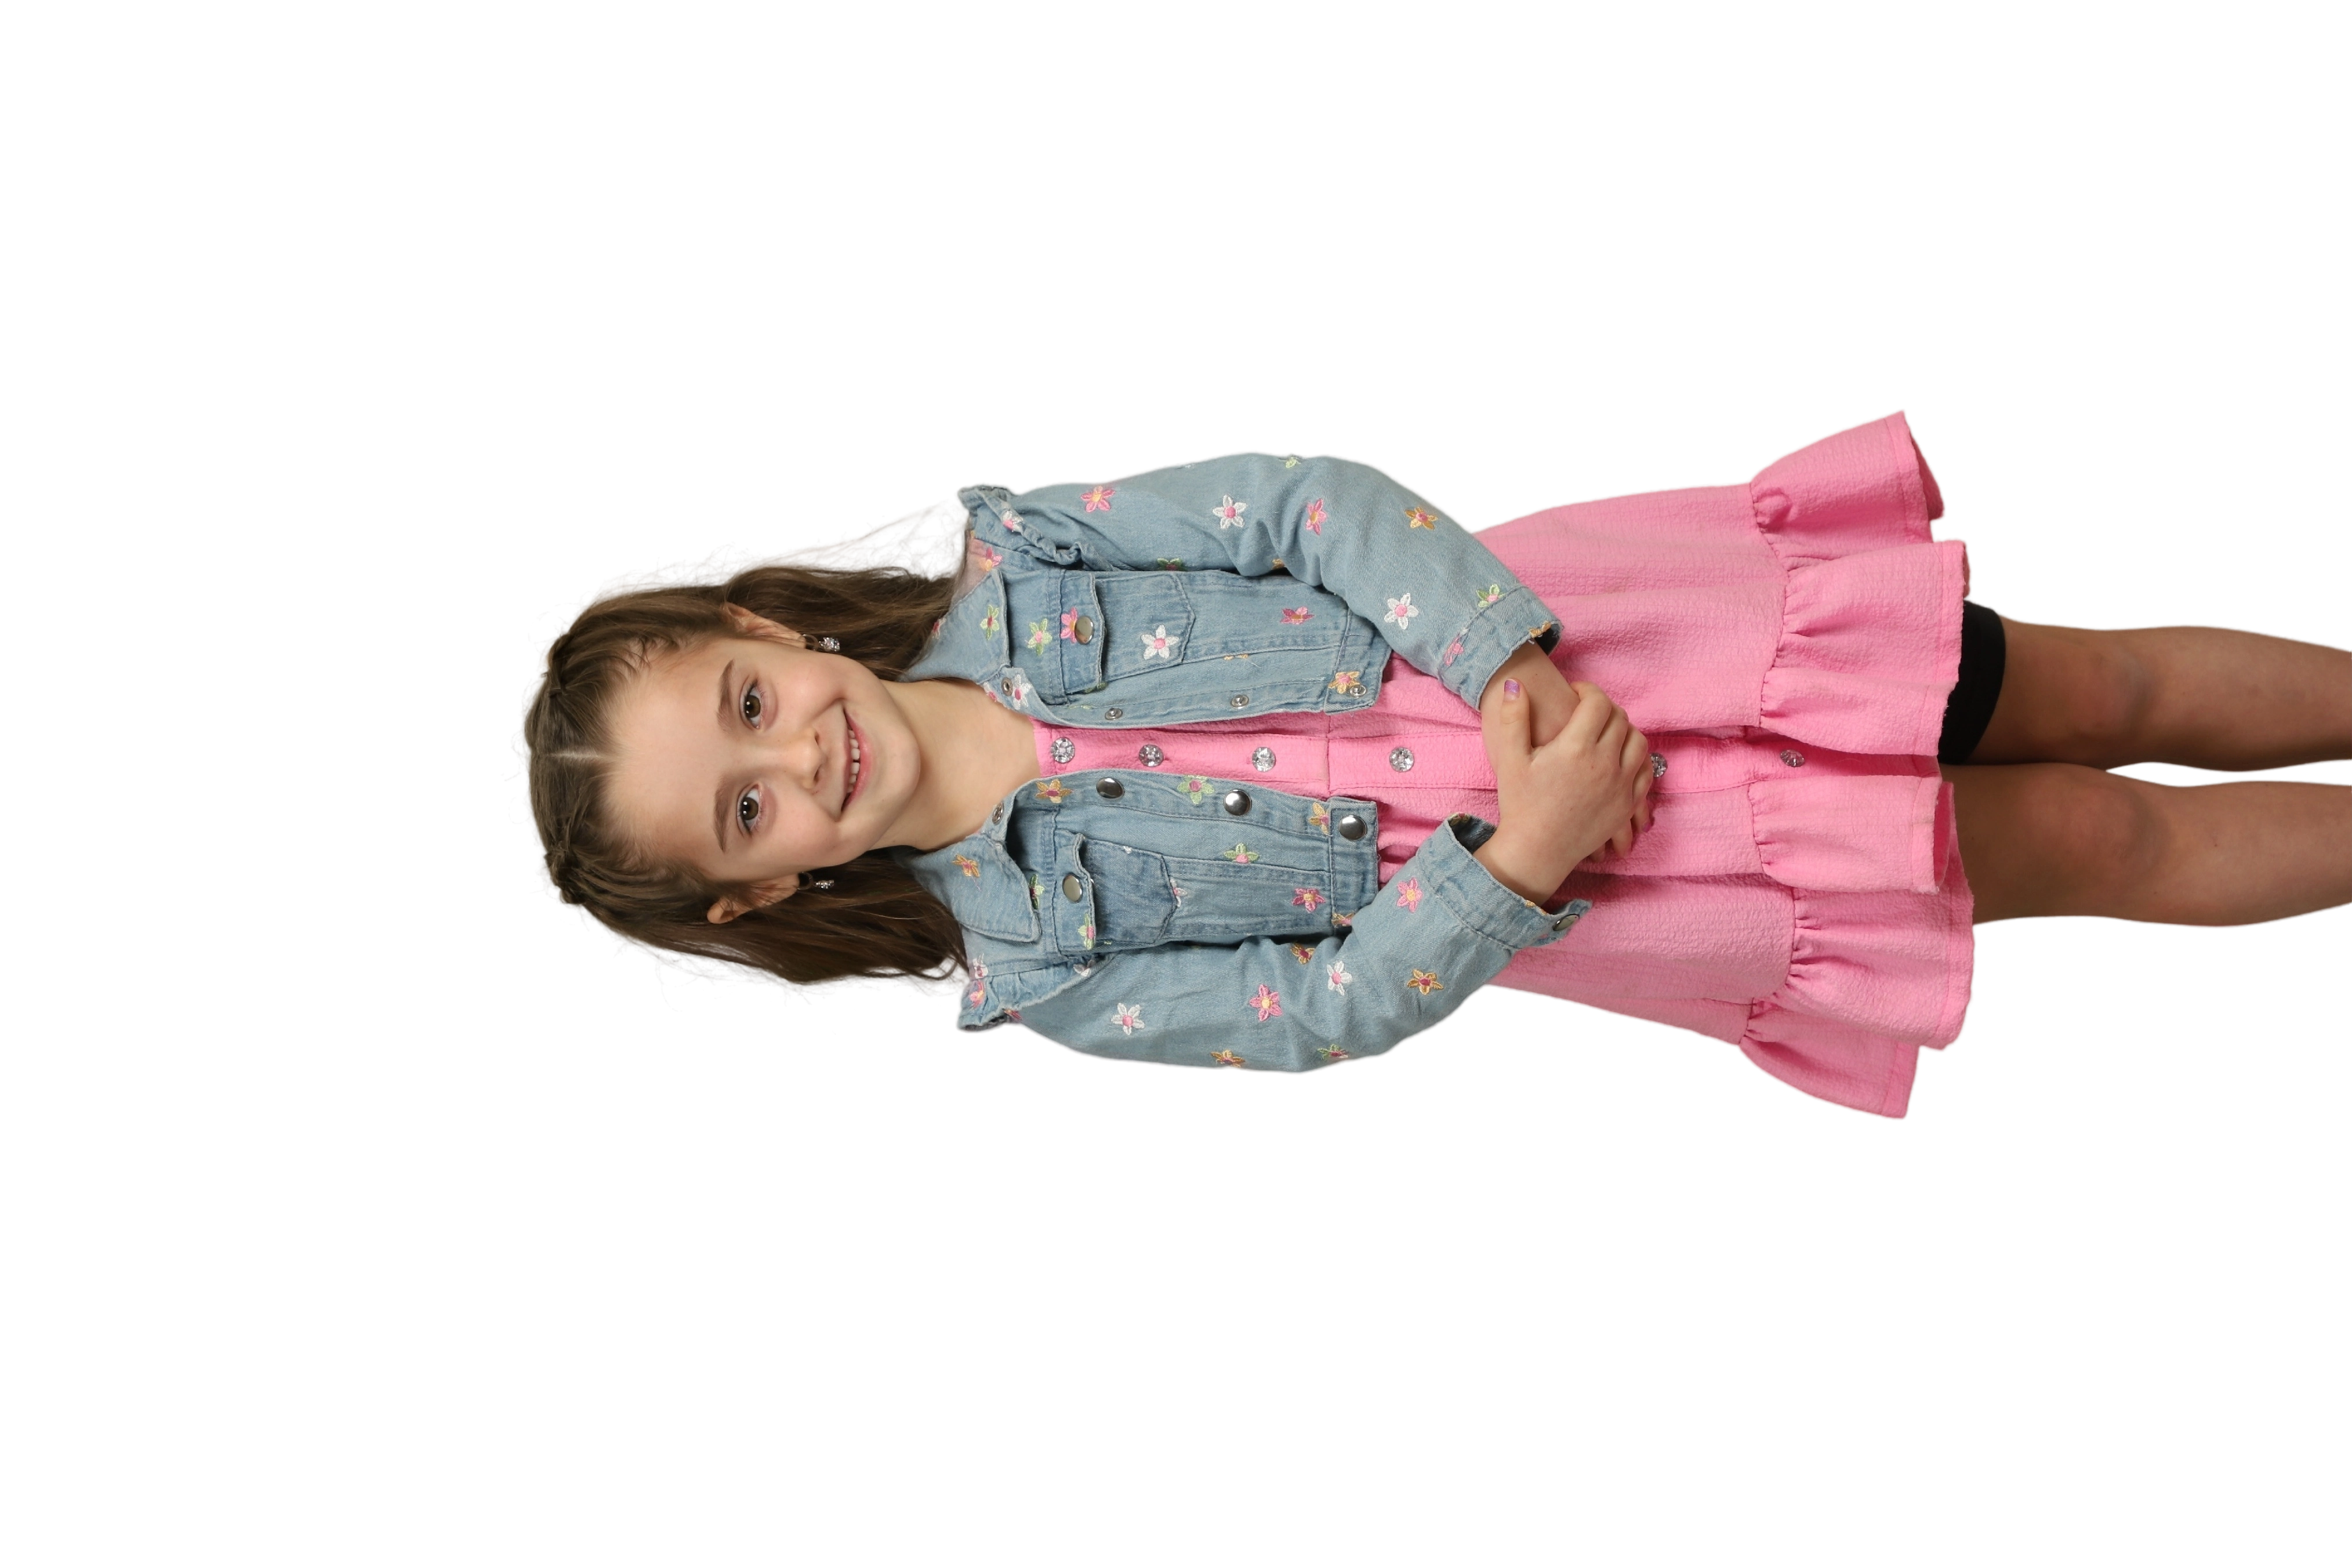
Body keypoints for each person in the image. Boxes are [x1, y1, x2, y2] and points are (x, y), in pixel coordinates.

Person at [504, 406, 2352, 1122]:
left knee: (2089, 689)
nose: (798, 753)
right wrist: (1522, 859)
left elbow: (1289, 505)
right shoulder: (1034, 967)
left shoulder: (1003, 553)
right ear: (765, 886)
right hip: (1646, 862)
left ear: (763, 626)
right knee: (2094, 840)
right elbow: (1314, 1017)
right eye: (744, 807)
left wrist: (1498, 656)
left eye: (746, 704)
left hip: (1622, 640)